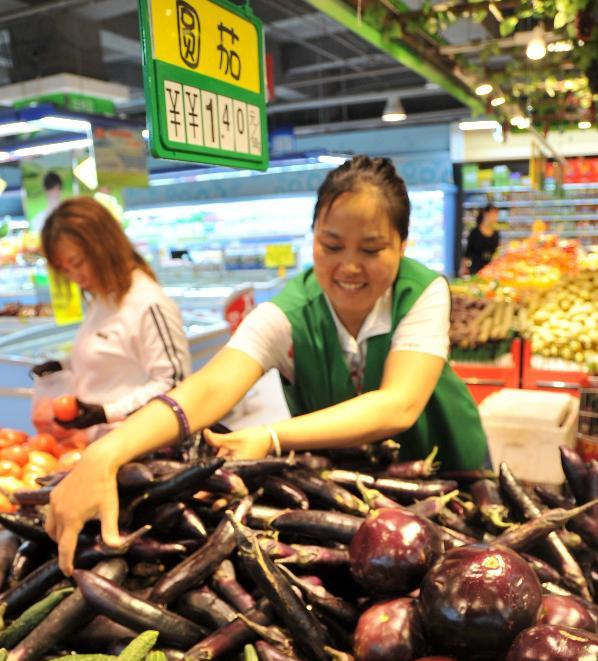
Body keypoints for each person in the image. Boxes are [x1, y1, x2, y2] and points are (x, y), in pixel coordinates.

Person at [46, 156, 488, 575]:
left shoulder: (423, 292)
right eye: (331, 245)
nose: (349, 266)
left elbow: (398, 405)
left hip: (446, 481)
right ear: (313, 234)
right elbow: (209, 387)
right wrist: (107, 453)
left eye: (372, 249)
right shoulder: (288, 312)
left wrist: (272, 436)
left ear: (402, 245)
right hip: (357, 499)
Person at [31, 196, 191, 438]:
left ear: (103, 247)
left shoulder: (148, 303)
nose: (76, 277)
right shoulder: (101, 298)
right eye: (65, 269)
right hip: (102, 445)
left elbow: (175, 385)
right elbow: (115, 358)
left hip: (139, 446)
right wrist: (64, 366)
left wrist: (107, 412)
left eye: (78, 262)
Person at [460, 204, 500, 276]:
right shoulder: (474, 233)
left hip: (491, 271)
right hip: (476, 269)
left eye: (496, 215)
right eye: (494, 214)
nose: (495, 217)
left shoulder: (496, 234)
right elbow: (467, 252)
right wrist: (463, 267)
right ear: (486, 214)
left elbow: (496, 253)